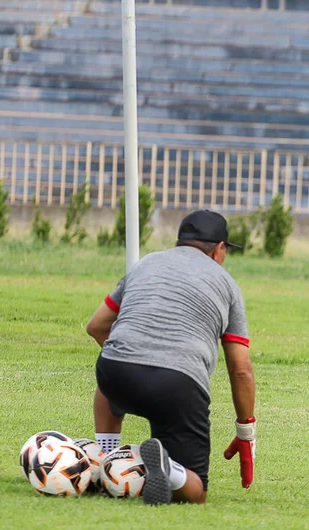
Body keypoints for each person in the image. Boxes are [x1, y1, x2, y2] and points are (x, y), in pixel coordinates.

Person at [84, 209, 257, 504]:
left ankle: (104, 458)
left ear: (181, 242)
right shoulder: (227, 284)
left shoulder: (146, 263)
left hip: (115, 374)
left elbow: (97, 326)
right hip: (178, 385)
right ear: (218, 249)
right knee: (196, 491)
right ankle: (170, 469)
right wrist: (246, 431)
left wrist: (131, 357)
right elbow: (240, 370)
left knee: (112, 369)